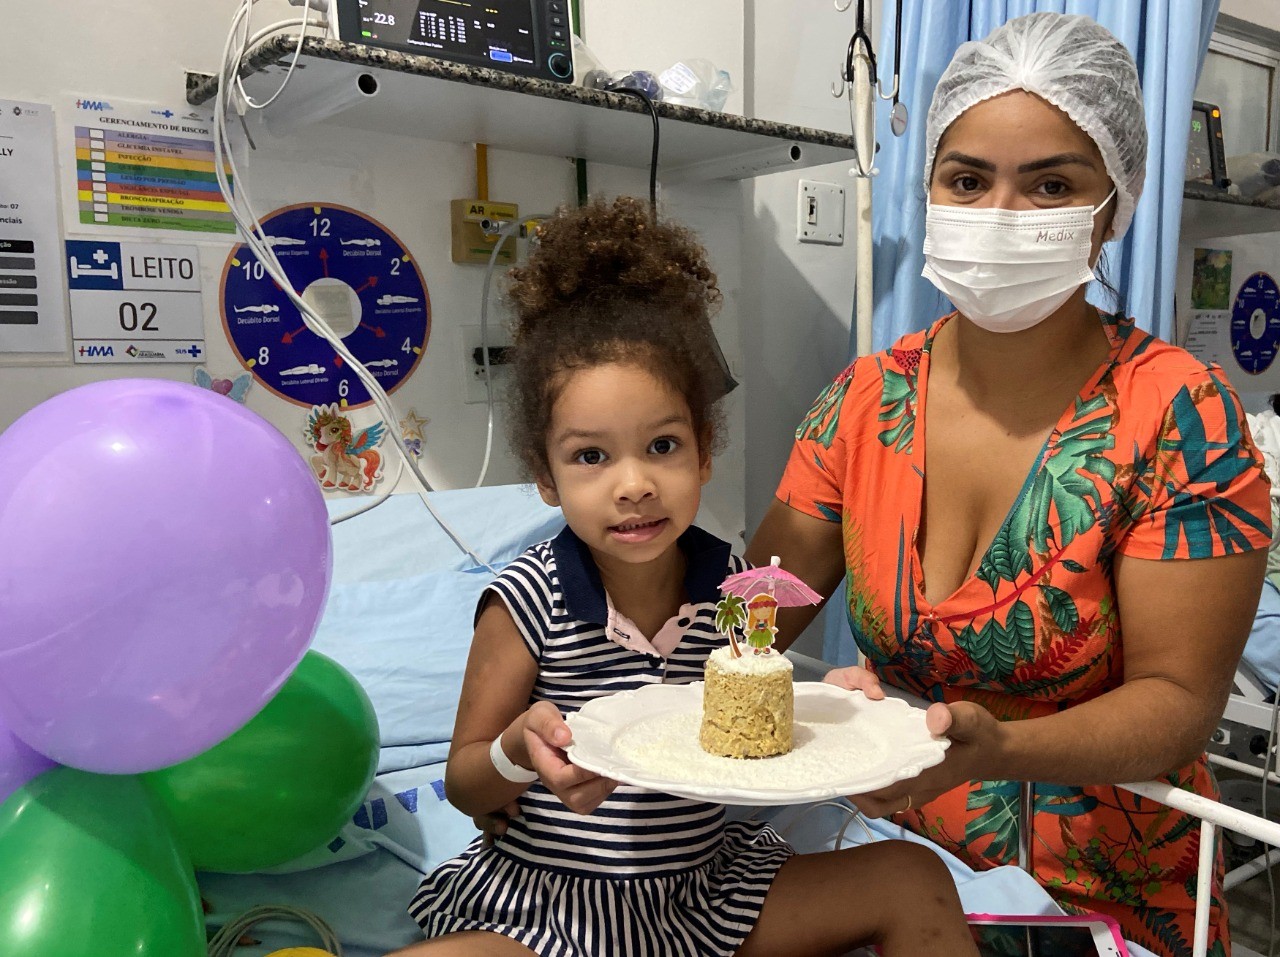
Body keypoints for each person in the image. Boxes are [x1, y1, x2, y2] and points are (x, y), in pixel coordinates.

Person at [747, 13, 1271, 957]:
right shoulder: (863, 402)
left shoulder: (1178, 416)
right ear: (929, 189)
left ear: (1113, 205)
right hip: (887, 868)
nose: (999, 213)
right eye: (967, 179)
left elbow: (1179, 702)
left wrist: (1004, 750)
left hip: (1100, 896)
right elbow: (748, 621)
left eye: (1051, 185)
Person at [391, 197, 979, 957]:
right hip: (546, 908)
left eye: (662, 446)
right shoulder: (526, 602)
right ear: (544, 475)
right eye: (591, 456)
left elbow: (756, 700)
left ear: (704, 451)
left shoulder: (731, 585)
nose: (634, 484)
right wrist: (516, 749)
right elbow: (467, 781)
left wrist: (836, 710)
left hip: (701, 895)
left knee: (911, 875)